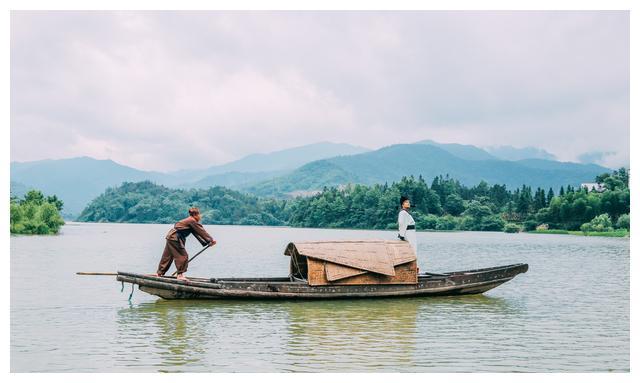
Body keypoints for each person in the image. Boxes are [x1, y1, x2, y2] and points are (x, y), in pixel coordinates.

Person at [156, 207, 216, 280]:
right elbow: (201, 231)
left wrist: (208, 242)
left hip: (171, 237)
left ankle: (159, 273)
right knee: (183, 256)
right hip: (175, 238)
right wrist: (211, 240)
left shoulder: (190, 221)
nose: (200, 217)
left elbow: (196, 233)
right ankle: (180, 275)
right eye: (199, 215)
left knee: (168, 256)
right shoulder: (192, 220)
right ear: (195, 215)